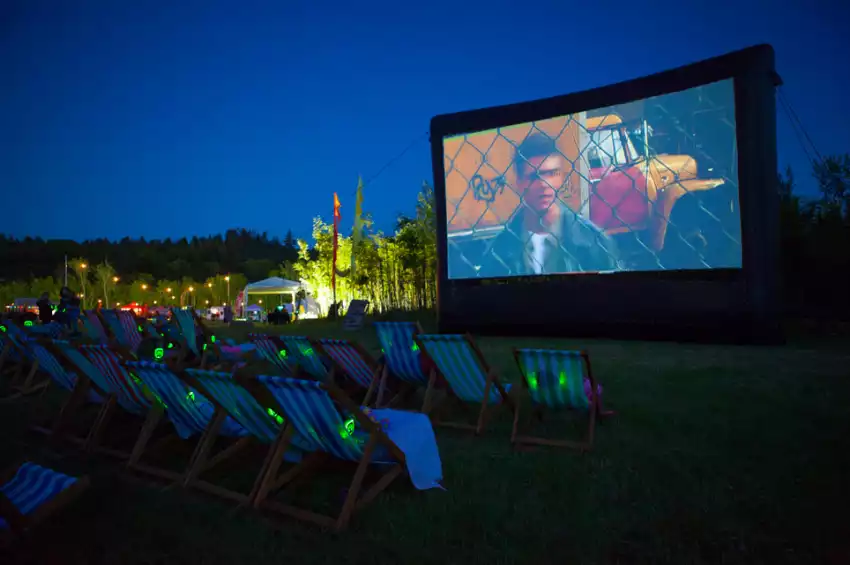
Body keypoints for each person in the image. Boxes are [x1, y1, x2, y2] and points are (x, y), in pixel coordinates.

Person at [479, 133, 620, 277]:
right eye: (534, 176)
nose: (544, 184)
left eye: (552, 173)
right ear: (519, 183)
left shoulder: (596, 243)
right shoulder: (498, 252)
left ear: (561, 178)